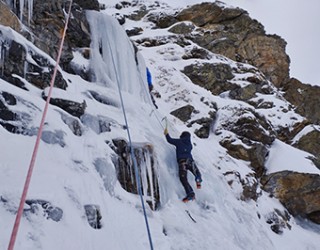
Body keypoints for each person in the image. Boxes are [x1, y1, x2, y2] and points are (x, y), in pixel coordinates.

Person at [164, 128, 202, 202]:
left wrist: (166, 133)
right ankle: (198, 179)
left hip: (183, 162)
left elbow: (170, 140)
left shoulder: (179, 141)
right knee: (196, 171)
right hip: (191, 161)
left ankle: (190, 193)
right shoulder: (190, 145)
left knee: (183, 179)